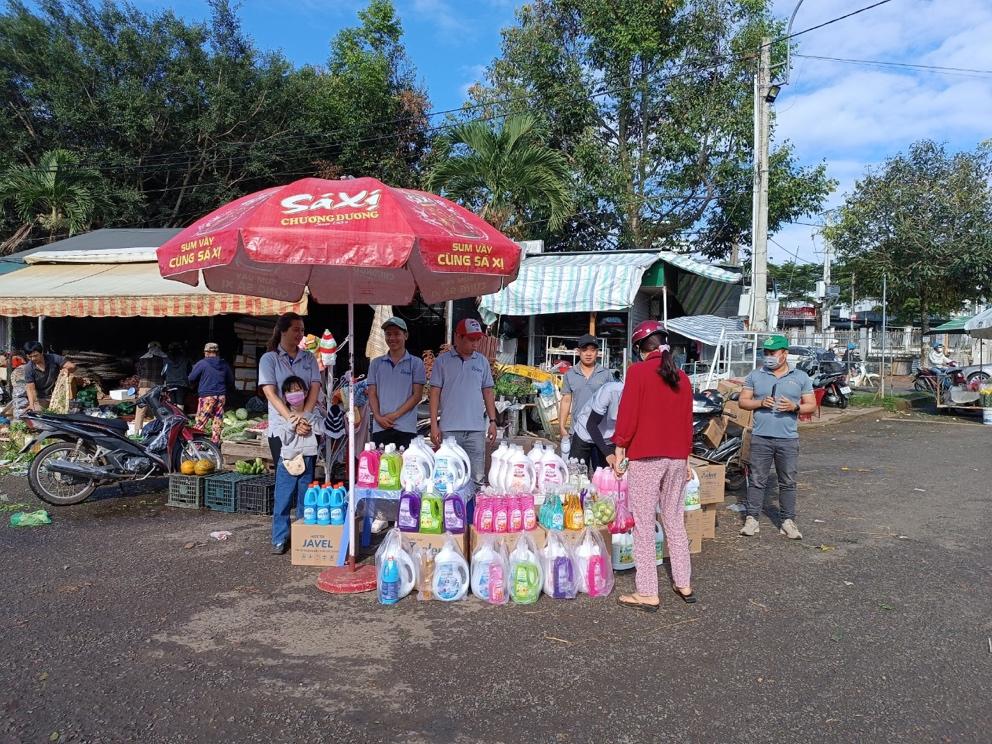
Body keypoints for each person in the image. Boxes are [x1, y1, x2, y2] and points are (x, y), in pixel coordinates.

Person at [612, 321, 695, 612]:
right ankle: (683, 582)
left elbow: (628, 414)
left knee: (644, 525)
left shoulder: (638, 372)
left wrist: (620, 445)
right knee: (674, 519)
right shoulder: (682, 378)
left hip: (647, 457)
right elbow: (687, 422)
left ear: (640, 349)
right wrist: (686, 458)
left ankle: (648, 591)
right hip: (676, 458)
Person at [737, 335, 817, 540]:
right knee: (756, 480)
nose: (768, 357)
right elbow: (743, 402)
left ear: (784, 354)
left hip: (787, 439)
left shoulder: (800, 377)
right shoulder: (756, 375)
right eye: (766, 353)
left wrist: (795, 407)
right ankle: (752, 519)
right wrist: (760, 402)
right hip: (761, 437)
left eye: (772, 353)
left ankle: (787, 521)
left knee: (788, 481)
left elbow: (812, 405)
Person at [259, 313, 322, 552]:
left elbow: (315, 387)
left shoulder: (308, 358)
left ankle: (304, 533)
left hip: (307, 428)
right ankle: (280, 536)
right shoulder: (270, 359)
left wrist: (304, 416)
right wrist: (292, 419)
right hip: (282, 430)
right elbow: (270, 392)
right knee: (285, 485)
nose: (300, 334)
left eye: (302, 329)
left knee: (306, 483)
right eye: (296, 329)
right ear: (283, 331)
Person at [429, 318, 497, 490]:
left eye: (477, 340)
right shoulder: (442, 362)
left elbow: (488, 392)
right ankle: (450, 513)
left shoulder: (481, 362)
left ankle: (473, 514)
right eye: (471, 339)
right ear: (458, 337)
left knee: (477, 478)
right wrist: (434, 425)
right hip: (450, 430)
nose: (475, 344)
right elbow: (434, 393)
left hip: (476, 430)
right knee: (449, 476)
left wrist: (493, 422)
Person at [270, 376, 324, 555]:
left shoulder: (313, 414)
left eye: (298, 390)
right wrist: (293, 424)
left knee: (305, 500)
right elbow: (283, 438)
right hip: (288, 461)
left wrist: (309, 421)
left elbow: (321, 431)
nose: (295, 394)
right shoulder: (281, 416)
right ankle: (279, 539)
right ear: (284, 396)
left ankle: (302, 537)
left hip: (308, 459)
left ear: (306, 393)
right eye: (290, 391)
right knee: (283, 500)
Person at [367, 317, 426, 449]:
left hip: (406, 428)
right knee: (382, 468)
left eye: (396, 333)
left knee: (406, 467)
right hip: (380, 427)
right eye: (388, 334)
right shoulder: (376, 364)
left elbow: (417, 396)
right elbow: (372, 393)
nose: (392, 338)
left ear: (406, 335)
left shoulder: (416, 363)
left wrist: (395, 415)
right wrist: (377, 416)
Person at [558, 334, 612, 462]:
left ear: (597, 353)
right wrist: (561, 426)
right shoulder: (570, 374)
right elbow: (566, 400)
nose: (588, 354)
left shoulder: (606, 374)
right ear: (578, 352)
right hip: (578, 431)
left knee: (602, 473)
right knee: (576, 474)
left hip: (601, 432)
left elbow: (612, 402)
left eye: (592, 350)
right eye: (585, 350)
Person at [571, 380, 624, 474]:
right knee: (576, 474)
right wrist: (607, 453)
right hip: (585, 433)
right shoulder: (610, 391)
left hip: (609, 438)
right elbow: (591, 425)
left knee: (607, 477)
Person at [188, 342, 235, 445]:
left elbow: (191, 378)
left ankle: (195, 447)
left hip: (207, 397)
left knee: (201, 422)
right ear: (217, 352)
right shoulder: (224, 364)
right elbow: (231, 380)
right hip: (221, 396)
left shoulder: (202, 363)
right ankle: (215, 445)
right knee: (217, 422)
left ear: (207, 352)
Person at [23, 341, 76, 412]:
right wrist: (32, 405)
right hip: (41, 398)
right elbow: (30, 388)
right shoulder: (29, 368)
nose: (33, 359)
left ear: (41, 353)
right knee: (36, 411)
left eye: (35, 355)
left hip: (56, 395)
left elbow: (72, 366)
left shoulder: (53, 358)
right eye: (30, 357)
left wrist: (66, 369)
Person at [133, 342, 168, 433]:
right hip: (157, 386)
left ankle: (137, 431)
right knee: (157, 408)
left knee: (141, 407)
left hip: (144, 385)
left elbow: (139, 372)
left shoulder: (142, 358)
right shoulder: (163, 358)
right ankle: (156, 429)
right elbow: (165, 372)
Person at [162, 342, 192, 412]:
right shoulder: (185, 358)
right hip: (182, 383)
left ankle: (174, 419)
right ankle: (180, 420)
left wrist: (165, 379)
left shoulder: (166, 359)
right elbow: (189, 371)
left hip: (170, 383)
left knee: (172, 403)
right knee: (180, 402)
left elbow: (163, 372)